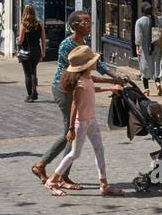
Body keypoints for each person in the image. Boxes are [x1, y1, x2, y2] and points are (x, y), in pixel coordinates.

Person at [31, 9, 123, 186]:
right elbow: (85, 71)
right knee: (70, 129)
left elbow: (97, 65)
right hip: (64, 88)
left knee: (69, 130)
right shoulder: (68, 45)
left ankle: (45, 166)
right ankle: (58, 174)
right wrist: (112, 80)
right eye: (85, 22)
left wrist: (115, 77)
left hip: (77, 86)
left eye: (90, 22)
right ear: (74, 25)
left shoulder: (83, 41)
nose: (89, 25)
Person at [46, 46, 123, 197]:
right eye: (94, 61)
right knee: (74, 153)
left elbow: (95, 88)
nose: (97, 62)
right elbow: (74, 104)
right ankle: (52, 180)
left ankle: (104, 184)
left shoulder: (87, 78)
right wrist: (71, 128)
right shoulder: (80, 83)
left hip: (91, 121)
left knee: (99, 149)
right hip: (80, 123)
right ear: (87, 65)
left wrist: (111, 89)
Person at [134, 2, 162, 97]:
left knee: (145, 67)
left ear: (142, 11)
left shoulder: (140, 22)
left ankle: (146, 89)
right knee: (156, 64)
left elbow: (138, 38)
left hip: (145, 48)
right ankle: (158, 83)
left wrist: (137, 46)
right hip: (157, 45)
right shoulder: (158, 19)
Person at [17, 5, 46, 102]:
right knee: (33, 71)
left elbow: (20, 41)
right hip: (36, 51)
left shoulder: (24, 24)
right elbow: (43, 39)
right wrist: (43, 51)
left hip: (26, 52)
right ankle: (34, 92)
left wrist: (18, 40)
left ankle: (30, 95)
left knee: (28, 74)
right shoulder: (39, 24)